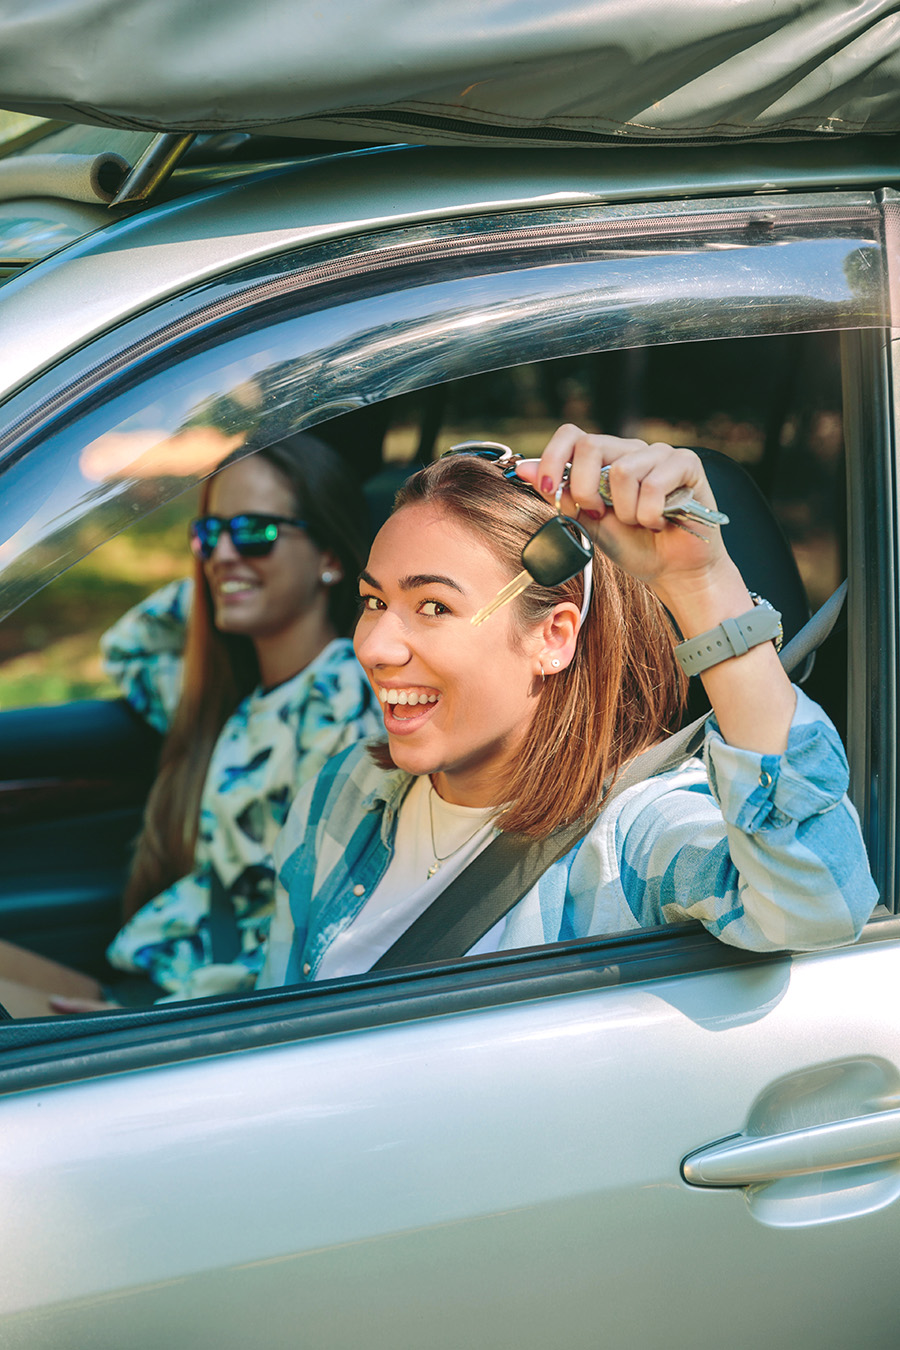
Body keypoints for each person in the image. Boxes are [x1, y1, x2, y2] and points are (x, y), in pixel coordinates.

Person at [259, 425, 878, 988]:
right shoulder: (342, 793)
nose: (373, 646)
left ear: (552, 637)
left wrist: (702, 584)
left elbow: (818, 902)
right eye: (373, 603)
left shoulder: (634, 841)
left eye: (433, 607)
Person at [0, 433, 380, 1016]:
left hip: (193, 1017)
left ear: (330, 556)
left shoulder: (341, 692)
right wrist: (233, 574)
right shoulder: (237, 697)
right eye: (208, 534)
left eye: (254, 532)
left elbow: (317, 927)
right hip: (154, 984)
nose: (223, 553)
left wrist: (153, 1024)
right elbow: (130, 648)